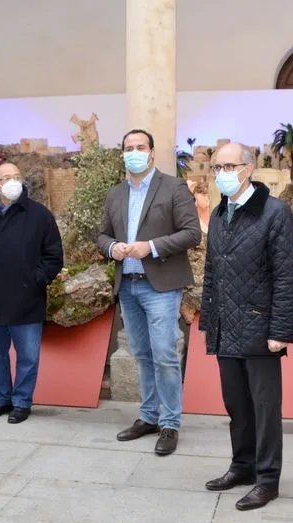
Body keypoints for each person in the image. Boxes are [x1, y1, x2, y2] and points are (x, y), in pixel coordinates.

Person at [198, 143, 293, 511]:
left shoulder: (275, 213)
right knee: (237, 405)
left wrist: (280, 331)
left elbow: (287, 277)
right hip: (226, 326)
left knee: (264, 408)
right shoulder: (221, 212)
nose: (222, 172)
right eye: (217, 167)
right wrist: (209, 321)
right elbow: (211, 272)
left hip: (260, 327)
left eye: (230, 165)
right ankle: (242, 465)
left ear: (249, 168)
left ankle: (267, 478)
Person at [97, 129, 202, 456]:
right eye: (128, 148)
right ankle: (148, 416)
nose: (134, 153)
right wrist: (112, 247)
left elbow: (192, 233)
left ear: (152, 153)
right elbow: (101, 235)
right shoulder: (115, 194)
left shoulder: (173, 187)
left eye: (140, 147)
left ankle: (170, 423)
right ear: (122, 155)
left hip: (161, 286)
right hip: (128, 286)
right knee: (141, 354)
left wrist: (151, 247)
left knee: (164, 354)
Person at [0, 162, 63, 424]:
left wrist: (36, 280)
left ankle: (21, 402)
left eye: (16, 176)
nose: (12, 181)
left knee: (28, 356)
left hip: (27, 299)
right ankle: (1, 399)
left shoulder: (40, 215)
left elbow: (53, 257)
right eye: (6, 177)